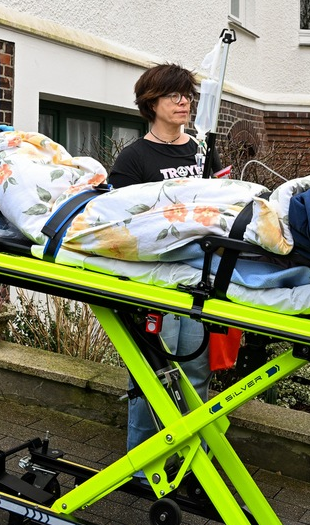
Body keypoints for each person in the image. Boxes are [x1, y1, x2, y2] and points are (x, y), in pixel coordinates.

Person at [107, 63, 213, 461]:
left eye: (187, 94)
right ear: (150, 103)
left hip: (198, 278)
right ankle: (143, 461)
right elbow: (120, 224)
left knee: (197, 372)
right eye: (174, 95)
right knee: (152, 373)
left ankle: (194, 455)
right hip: (155, 281)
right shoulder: (134, 158)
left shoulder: (201, 150)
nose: (184, 101)